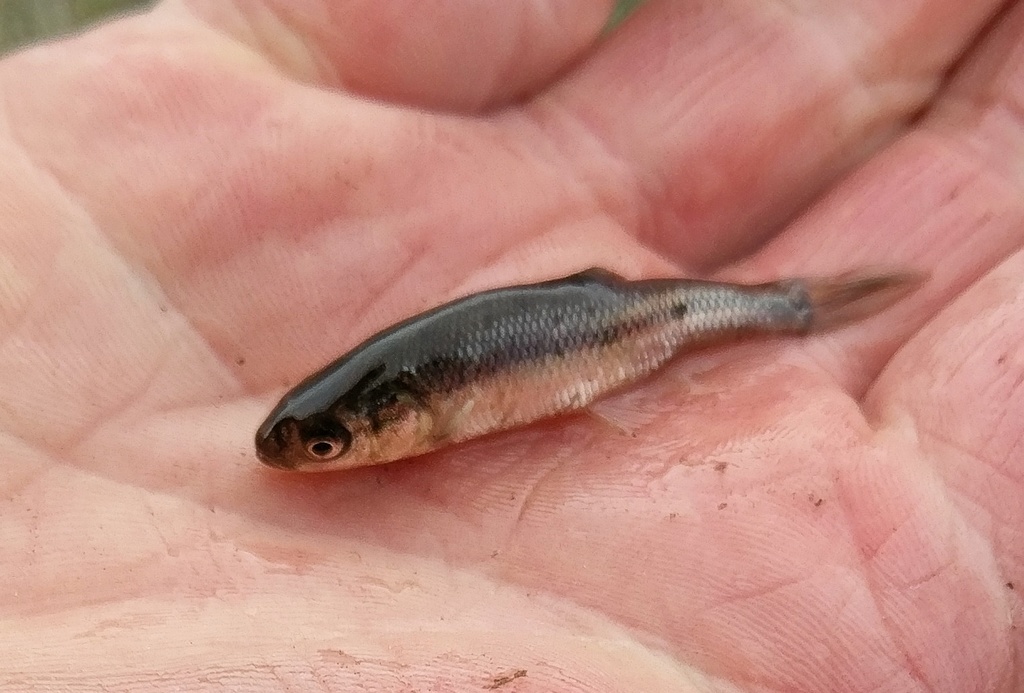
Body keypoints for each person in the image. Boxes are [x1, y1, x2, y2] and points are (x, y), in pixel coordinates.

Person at [0, 0, 1019, 689]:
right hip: (618, 320)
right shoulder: (409, 398)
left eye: (328, 445)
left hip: (633, 322)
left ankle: (784, 305)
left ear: (392, 417)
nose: (326, 456)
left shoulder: (459, 385)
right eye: (327, 445)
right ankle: (783, 302)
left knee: (712, 311)